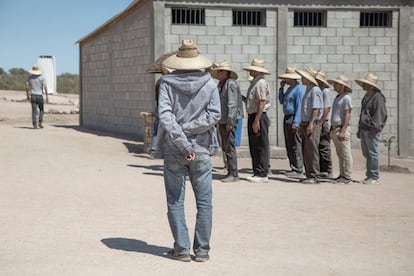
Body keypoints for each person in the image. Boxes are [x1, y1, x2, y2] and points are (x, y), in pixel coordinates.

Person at [155, 40, 221, 262]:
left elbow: (165, 116)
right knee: (204, 203)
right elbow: (214, 116)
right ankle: (202, 252)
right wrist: (189, 135)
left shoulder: (166, 83)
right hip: (201, 150)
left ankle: (182, 250)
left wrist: (182, 138)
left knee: (175, 201)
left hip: (174, 149)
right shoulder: (211, 84)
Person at [210, 60, 243, 182]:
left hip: (229, 121)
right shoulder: (221, 84)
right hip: (222, 120)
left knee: (230, 146)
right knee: (225, 146)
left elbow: (232, 104)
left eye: (220, 71)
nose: (218, 73)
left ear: (226, 72)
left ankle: (233, 173)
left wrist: (230, 122)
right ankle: (230, 169)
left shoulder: (231, 84)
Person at [242, 58, 272, 183]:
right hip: (254, 115)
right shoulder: (256, 83)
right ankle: (257, 171)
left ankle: (262, 172)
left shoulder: (260, 83)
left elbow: (262, 102)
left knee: (260, 144)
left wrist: (256, 120)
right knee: (254, 144)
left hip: (258, 116)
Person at [355, 73, 387, 184]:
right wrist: (359, 129)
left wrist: (374, 129)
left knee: (373, 153)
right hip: (364, 128)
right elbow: (362, 114)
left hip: (371, 130)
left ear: (372, 86)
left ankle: (374, 176)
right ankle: (369, 175)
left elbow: (379, 115)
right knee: (367, 153)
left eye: (366, 83)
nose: (363, 85)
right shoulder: (366, 96)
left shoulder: (378, 98)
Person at [295, 67, 323, 184]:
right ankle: (309, 173)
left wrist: (311, 123)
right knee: (306, 149)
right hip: (306, 122)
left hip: (312, 123)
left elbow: (315, 108)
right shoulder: (308, 89)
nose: (302, 79)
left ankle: (314, 175)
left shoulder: (315, 90)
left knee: (312, 149)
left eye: (304, 77)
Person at [277, 67, 304, 177]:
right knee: (289, 143)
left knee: (295, 144)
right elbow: (282, 100)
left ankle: (298, 168)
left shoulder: (299, 89)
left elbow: (299, 106)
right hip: (287, 117)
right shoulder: (289, 89)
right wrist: (281, 89)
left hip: (293, 117)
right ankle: (293, 166)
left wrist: (296, 123)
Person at [328, 74, 353, 184]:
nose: (334, 85)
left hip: (341, 128)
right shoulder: (338, 97)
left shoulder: (346, 98)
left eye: (337, 84)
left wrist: (343, 130)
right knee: (340, 153)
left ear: (342, 86)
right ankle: (342, 174)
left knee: (346, 153)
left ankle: (347, 176)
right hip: (335, 128)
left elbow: (348, 114)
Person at [314, 70, 333, 178]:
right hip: (319, 121)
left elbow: (326, 108)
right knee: (318, 146)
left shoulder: (325, 91)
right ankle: (321, 169)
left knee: (324, 146)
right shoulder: (318, 90)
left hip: (323, 121)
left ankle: (327, 170)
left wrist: (321, 122)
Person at [25, 65, 48, 129]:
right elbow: (45, 87)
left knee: (34, 111)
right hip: (40, 95)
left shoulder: (29, 77)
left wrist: (27, 96)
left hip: (33, 95)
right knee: (41, 109)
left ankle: (34, 124)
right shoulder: (42, 78)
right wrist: (47, 96)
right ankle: (40, 122)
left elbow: (27, 87)